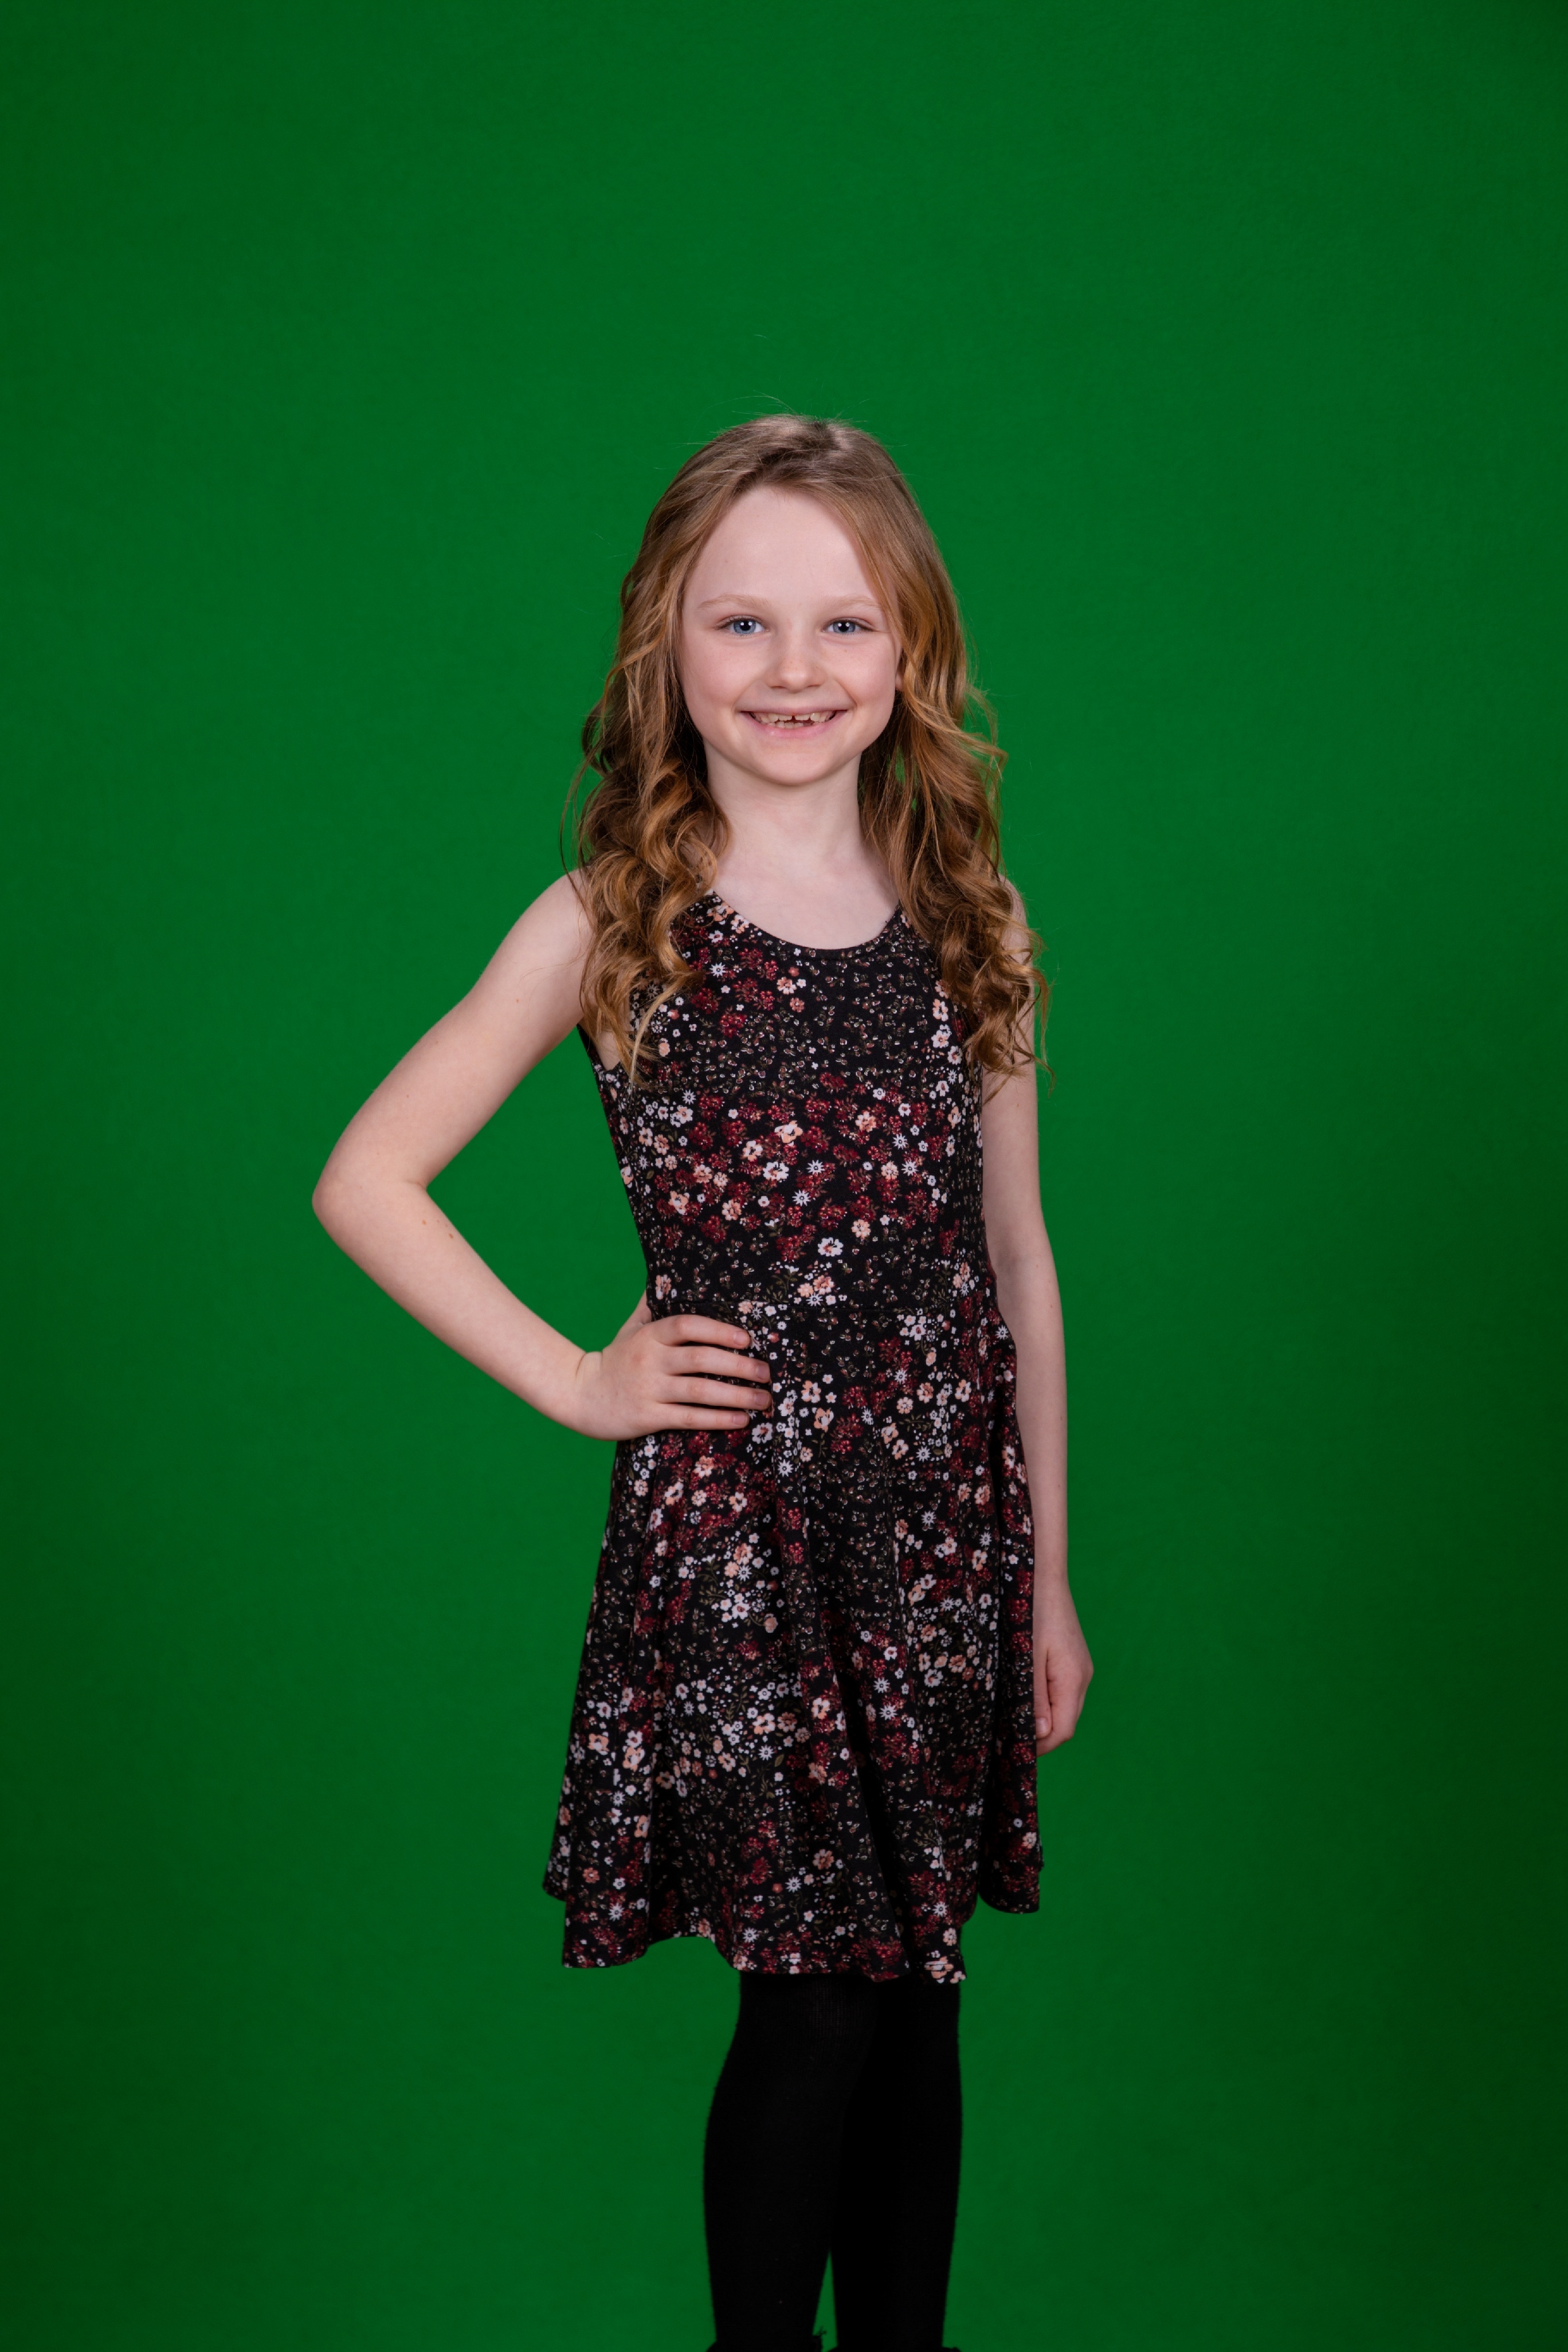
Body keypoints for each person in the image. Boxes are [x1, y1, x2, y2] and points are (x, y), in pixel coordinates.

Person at [313, 414, 1092, 2352]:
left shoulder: (972, 920)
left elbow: (1016, 1265)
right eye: (743, 623)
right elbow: (367, 1178)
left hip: (938, 1537)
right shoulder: (614, 919)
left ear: (911, 650)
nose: (794, 669)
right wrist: (580, 1376)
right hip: (744, 1545)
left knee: (917, 1989)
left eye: (843, 624)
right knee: (814, 1997)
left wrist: (1049, 1578)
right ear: (669, 643)